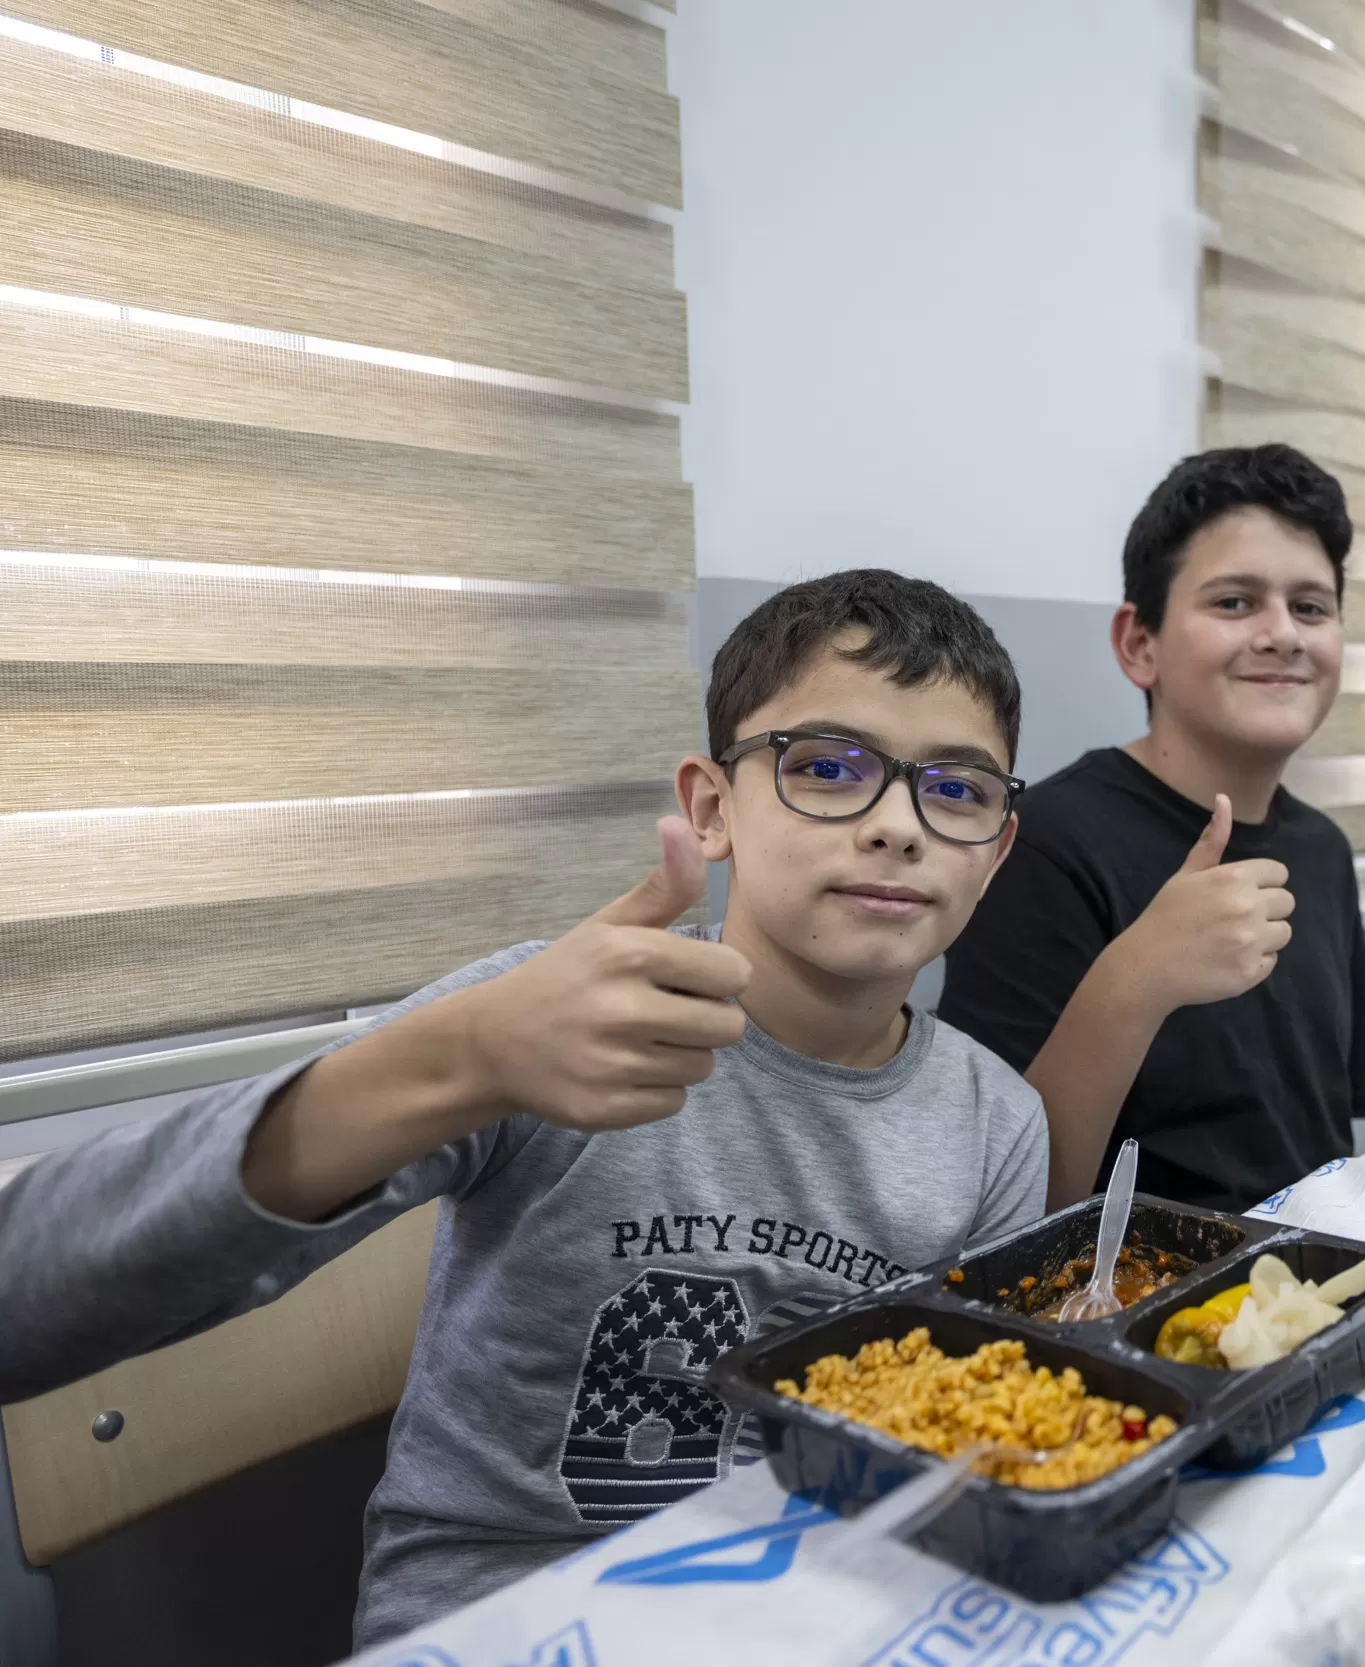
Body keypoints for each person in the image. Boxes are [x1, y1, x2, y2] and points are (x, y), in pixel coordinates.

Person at [0, 571, 1048, 1645]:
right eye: (826, 766)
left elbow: (964, 1466)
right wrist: (463, 1061)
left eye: (957, 789)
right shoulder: (548, 1013)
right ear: (710, 807)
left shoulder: (997, 1121)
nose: (897, 825)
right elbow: (24, 1291)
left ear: (998, 848)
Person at [940, 444, 1365, 1212]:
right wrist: (1136, 978)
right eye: (1234, 602)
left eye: (1311, 607)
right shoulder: (1043, 844)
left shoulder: (1324, 851)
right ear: (1140, 645)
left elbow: (1326, 1135)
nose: (1284, 634)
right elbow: (999, 1199)